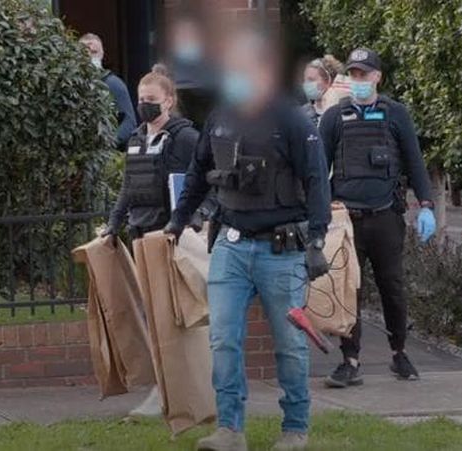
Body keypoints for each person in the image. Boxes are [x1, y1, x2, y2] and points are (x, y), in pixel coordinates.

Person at [164, 29, 332, 451]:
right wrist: (178, 221)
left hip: (282, 249)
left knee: (290, 345)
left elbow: (316, 180)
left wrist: (317, 239)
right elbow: (199, 174)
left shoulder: (292, 120)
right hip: (231, 246)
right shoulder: (221, 117)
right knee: (223, 340)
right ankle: (230, 430)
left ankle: (295, 429)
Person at [318, 48, 437, 387]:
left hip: (385, 216)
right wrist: (319, 212)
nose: (358, 80)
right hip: (346, 220)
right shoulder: (334, 117)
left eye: (364, 74)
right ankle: (350, 360)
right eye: (353, 74)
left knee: (392, 287)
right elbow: (318, 168)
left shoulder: (395, 114)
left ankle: (399, 353)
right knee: (349, 290)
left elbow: (414, 161)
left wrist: (426, 204)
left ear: (377, 77)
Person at [103, 64, 202, 242]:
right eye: (141, 99)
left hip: (171, 232)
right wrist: (114, 223)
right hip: (138, 230)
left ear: (168, 102)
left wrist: (199, 214)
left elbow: (208, 179)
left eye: (151, 99)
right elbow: (128, 185)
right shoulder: (136, 139)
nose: (145, 104)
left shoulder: (186, 137)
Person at [79, 33, 137, 149]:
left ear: (102, 54)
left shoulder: (113, 84)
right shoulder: (70, 85)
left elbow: (129, 122)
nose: (89, 56)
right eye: (85, 52)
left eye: (94, 52)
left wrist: (108, 143)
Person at [300, 55, 345, 126]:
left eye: (311, 80)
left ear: (328, 80)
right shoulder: (302, 114)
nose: (306, 84)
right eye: (305, 80)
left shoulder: (343, 113)